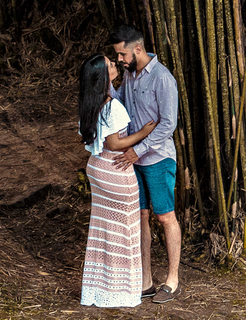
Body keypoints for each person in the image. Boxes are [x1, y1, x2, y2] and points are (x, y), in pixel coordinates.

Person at [78, 53, 158, 308]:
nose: (115, 64)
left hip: (97, 168)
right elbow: (114, 143)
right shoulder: (112, 106)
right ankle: (123, 291)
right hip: (116, 170)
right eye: (110, 65)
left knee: (103, 231)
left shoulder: (89, 104)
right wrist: (144, 133)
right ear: (103, 76)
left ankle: (99, 289)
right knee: (125, 231)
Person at [109, 23, 181, 304]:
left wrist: (138, 150)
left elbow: (168, 124)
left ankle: (172, 280)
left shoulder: (162, 78)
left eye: (122, 55)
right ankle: (146, 280)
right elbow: (122, 106)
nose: (119, 60)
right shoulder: (130, 75)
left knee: (165, 217)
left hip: (157, 158)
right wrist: (105, 85)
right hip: (134, 158)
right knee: (140, 217)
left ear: (137, 49)